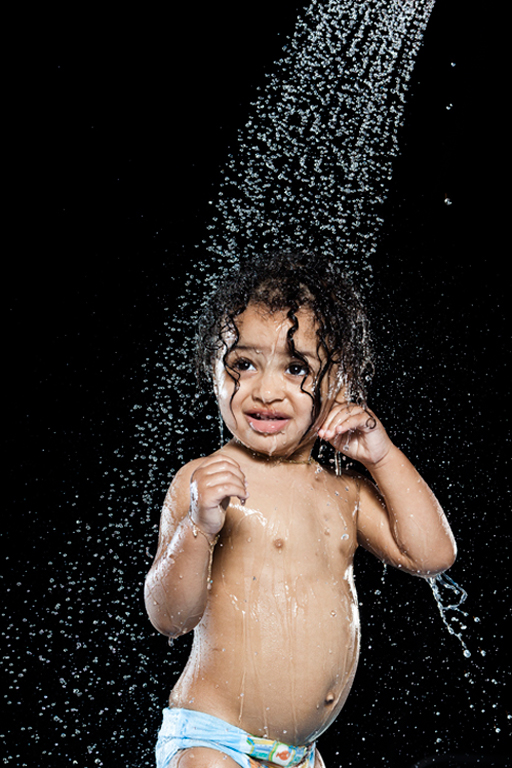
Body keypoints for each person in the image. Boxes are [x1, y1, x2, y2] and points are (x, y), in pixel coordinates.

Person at [144, 251, 457, 768]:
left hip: (301, 755)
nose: (266, 391)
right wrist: (198, 527)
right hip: (214, 741)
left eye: (296, 368)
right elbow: (170, 618)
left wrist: (383, 456)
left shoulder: (344, 492)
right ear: (213, 371)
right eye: (243, 364)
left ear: (341, 382)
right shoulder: (204, 483)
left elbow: (432, 554)